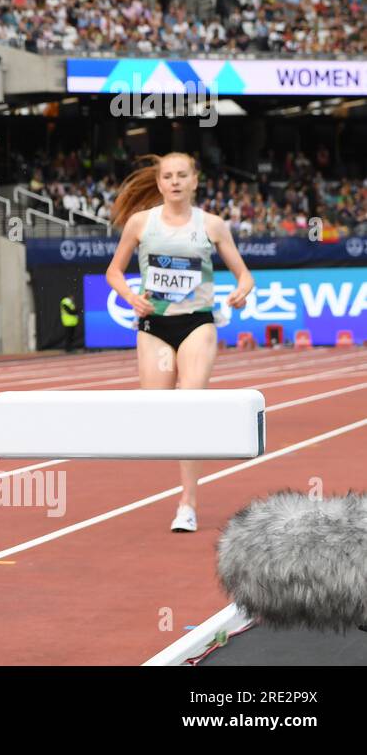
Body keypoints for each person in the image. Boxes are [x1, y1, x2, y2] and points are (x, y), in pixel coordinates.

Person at [105, 153, 254, 534]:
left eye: (181, 175)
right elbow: (114, 271)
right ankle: (192, 440)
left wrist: (240, 291)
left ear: (194, 181)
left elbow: (244, 276)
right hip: (154, 324)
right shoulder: (141, 223)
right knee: (159, 412)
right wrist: (129, 295)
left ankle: (187, 502)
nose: (174, 181)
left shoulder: (213, 225)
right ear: (159, 184)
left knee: (189, 403)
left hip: (197, 323)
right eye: (167, 176)